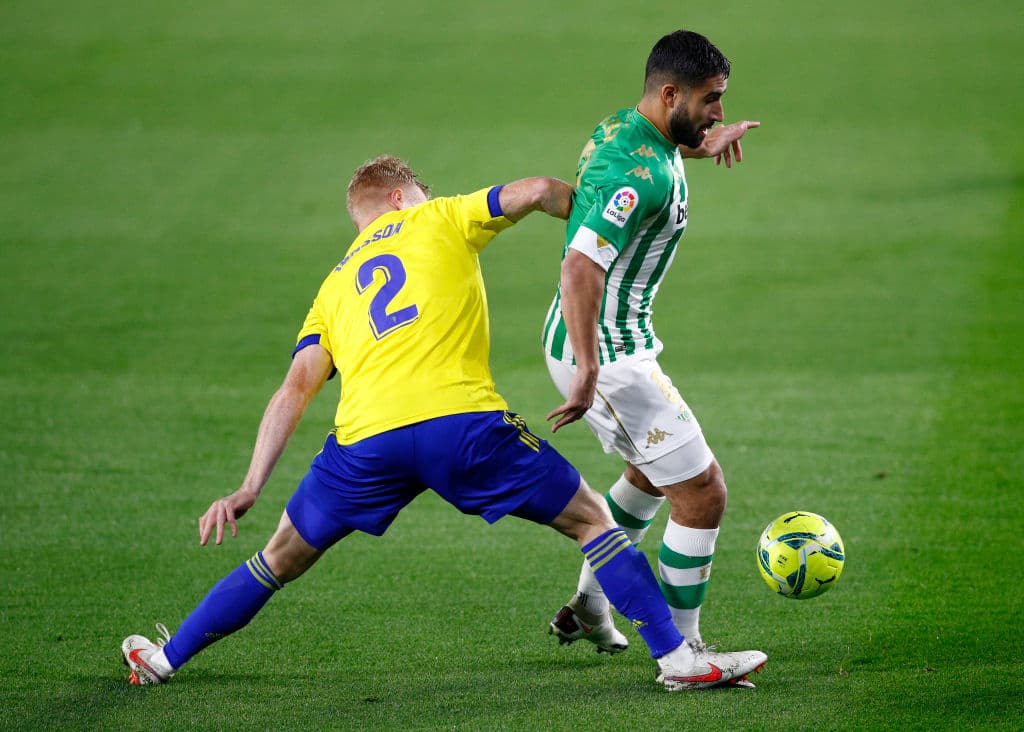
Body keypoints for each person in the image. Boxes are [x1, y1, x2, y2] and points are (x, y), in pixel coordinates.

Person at [120, 155, 765, 692]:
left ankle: (164, 660)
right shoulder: (438, 216)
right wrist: (602, 222)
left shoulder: (334, 288)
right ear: (401, 197)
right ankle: (677, 658)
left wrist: (249, 486)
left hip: (365, 445)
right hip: (461, 426)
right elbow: (540, 190)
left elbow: (294, 389)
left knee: (277, 559)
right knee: (593, 520)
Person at [541, 30, 766, 685]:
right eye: (710, 100)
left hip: (613, 342)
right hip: (607, 354)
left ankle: (589, 605)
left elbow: (650, 160)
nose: (719, 111)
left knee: (650, 474)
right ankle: (684, 654)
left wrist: (700, 145)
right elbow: (580, 266)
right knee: (702, 492)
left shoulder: (625, 127)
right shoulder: (634, 176)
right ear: (671, 93)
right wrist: (589, 368)